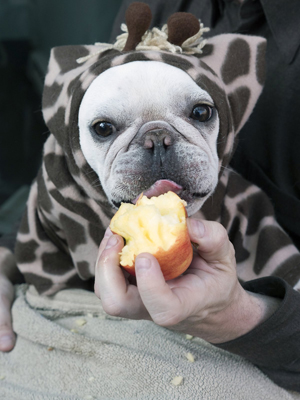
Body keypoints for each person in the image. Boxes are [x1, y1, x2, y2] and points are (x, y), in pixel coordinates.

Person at [0, 0, 299, 393]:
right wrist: (9, 254)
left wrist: (238, 317)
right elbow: (72, 179)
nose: (158, 145)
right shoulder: (149, 6)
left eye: (199, 114)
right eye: (106, 127)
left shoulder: (248, 213)